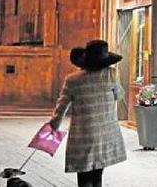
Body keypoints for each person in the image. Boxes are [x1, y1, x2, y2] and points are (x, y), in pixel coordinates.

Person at [49, 40, 127, 187]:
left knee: (84, 177)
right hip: (104, 134)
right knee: (98, 175)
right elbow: (119, 95)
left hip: (82, 136)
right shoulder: (111, 74)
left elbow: (62, 106)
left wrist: (53, 125)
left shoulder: (73, 80)